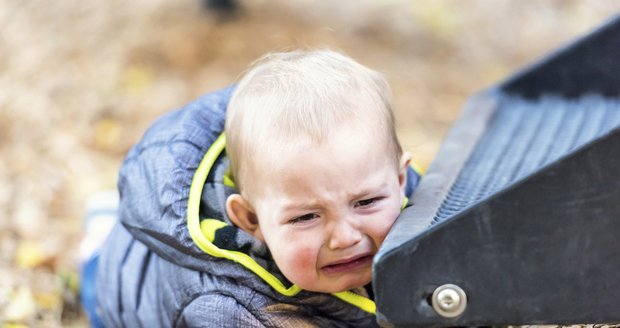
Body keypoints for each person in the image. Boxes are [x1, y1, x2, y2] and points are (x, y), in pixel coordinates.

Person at [91, 49, 421, 327]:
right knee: (95, 270)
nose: (345, 237)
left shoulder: (414, 203)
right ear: (250, 219)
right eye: (306, 217)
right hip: (121, 283)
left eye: (366, 202)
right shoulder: (228, 310)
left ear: (400, 180)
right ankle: (97, 235)